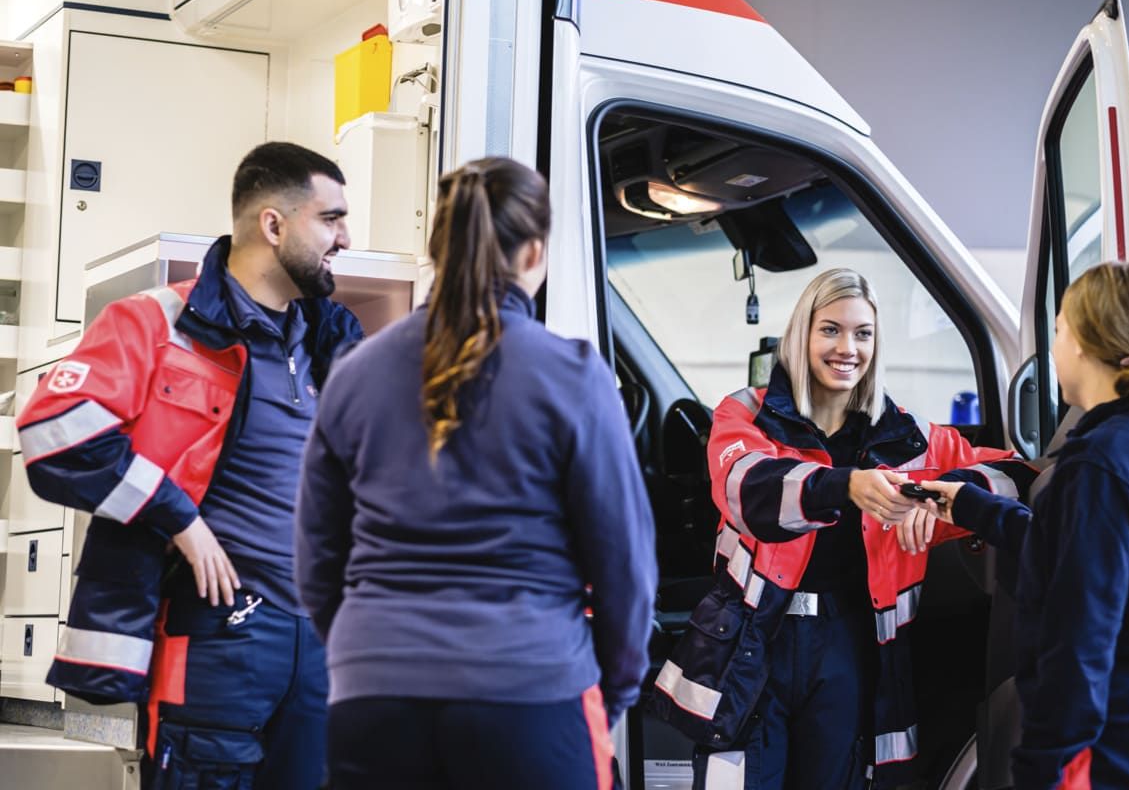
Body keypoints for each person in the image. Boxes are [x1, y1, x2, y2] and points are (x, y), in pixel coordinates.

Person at [294, 156, 657, 790]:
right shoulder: (569, 373)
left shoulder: (355, 371)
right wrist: (610, 692)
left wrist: (369, 655)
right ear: (535, 251)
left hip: (373, 695)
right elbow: (623, 563)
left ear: (439, 247)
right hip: (528, 690)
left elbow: (317, 555)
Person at [16, 142, 363, 788]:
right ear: (273, 224)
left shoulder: (329, 345)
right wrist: (180, 518)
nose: (344, 238)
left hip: (317, 644)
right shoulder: (158, 324)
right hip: (215, 638)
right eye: (332, 218)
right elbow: (51, 433)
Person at [652, 267, 1034, 789]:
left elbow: (1018, 473)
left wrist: (950, 495)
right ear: (802, 333)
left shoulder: (906, 438)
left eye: (863, 333)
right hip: (755, 641)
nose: (847, 348)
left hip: (848, 645)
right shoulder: (747, 413)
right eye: (830, 329)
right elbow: (749, 490)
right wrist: (845, 486)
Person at [909, 261, 1129, 790]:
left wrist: (1043, 764)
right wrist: (976, 507)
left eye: (1060, 329)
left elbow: (1079, 642)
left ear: (1085, 343)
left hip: (1107, 752)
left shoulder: (1100, 464)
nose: (1056, 344)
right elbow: (1081, 556)